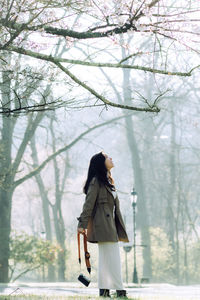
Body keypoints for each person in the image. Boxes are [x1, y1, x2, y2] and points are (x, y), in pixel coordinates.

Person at [77, 151, 129, 298]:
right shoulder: (96, 181)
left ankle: (105, 290)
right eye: (107, 157)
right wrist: (82, 224)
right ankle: (119, 290)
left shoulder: (108, 180)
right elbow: (88, 204)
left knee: (107, 258)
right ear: (101, 163)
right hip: (103, 225)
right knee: (112, 257)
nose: (111, 158)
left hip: (110, 224)